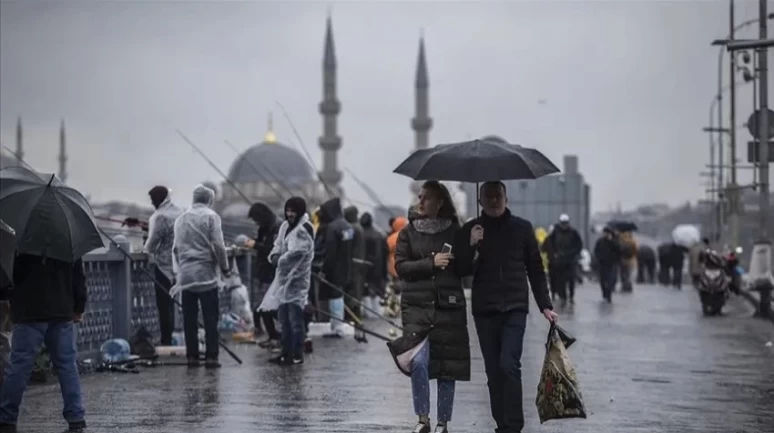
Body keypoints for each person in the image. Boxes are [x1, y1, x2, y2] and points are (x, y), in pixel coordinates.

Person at [456, 181, 557, 433]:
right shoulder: (471, 229)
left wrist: (544, 305)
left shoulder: (522, 229)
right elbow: (460, 270)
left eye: (498, 196)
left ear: (506, 198)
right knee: (493, 372)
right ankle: (501, 424)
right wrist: (470, 244)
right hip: (484, 309)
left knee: (508, 365)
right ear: (480, 201)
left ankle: (513, 426)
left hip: (514, 306)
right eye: (488, 197)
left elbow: (535, 268)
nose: (493, 200)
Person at [387, 181, 470, 433]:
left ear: (440, 203)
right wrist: (430, 263)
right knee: (419, 363)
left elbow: (466, 270)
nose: (420, 202)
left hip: (448, 306)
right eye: (419, 197)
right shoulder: (408, 233)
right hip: (416, 307)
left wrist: (474, 246)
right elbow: (401, 267)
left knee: (447, 366)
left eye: (426, 198)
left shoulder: (456, 232)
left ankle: (442, 422)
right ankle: (423, 419)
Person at [0, 254, 87, 432]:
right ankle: (76, 418)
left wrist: (10, 296)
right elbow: (78, 276)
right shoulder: (67, 235)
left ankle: (7, 418)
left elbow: (9, 276)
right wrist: (79, 306)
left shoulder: (21, 237)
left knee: (19, 366)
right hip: (61, 310)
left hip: (29, 311)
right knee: (66, 366)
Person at [171, 184, 230, 368]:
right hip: (206, 276)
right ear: (209, 200)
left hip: (186, 277)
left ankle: (192, 357)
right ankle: (211, 356)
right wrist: (225, 267)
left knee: (189, 319)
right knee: (210, 317)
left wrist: (181, 270)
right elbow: (218, 246)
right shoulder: (211, 217)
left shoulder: (181, 219)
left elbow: (175, 248)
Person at [267, 197, 315, 365]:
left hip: (297, 281)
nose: (289, 214)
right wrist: (274, 255)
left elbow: (297, 252)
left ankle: (297, 354)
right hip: (283, 280)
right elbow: (278, 244)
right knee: (284, 319)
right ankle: (285, 352)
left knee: (295, 320)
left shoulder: (304, 229)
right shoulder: (285, 226)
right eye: (288, 210)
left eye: (293, 211)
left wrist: (279, 260)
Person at [143, 185, 183, 346]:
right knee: (173, 304)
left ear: (159, 199)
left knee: (164, 306)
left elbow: (152, 245)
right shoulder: (179, 212)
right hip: (179, 266)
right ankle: (172, 337)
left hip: (163, 268)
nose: (152, 203)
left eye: (153, 200)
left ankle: (166, 340)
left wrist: (145, 248)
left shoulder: (160, 217)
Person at [313, 197, 354, 338]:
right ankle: (338, 326)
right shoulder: (346, 225)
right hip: (345, 266)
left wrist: (324, 270)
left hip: (333, 268)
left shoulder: (332, 228)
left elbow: (330, 252)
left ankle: (337, 328)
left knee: (334, 297)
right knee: (339, 295)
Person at [245, 202, 281, 348]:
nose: (256, 223)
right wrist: (256, 241)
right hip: (263, 272)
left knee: (270, 307)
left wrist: (255, 245)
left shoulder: (276, 227)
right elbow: (263, 243)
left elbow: (272, 250)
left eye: (256, 219)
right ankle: (272, 335)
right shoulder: (265, 227)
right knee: (263, 307)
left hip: (272, 273)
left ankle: (280, 335)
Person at [545, 214, 583, 306]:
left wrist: (574, 254)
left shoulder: (573, 232)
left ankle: (571, 296)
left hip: (570, 260)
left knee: (571, 280)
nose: (564, 225)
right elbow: (550, 243)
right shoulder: (556, 232)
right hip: (560, 260)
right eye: (563, 223)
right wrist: (555, 253)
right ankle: (563, 296)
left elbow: (579, 245)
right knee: (560, 280)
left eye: (566, 223)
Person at [360, 212, 389, 319]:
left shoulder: (360, 235)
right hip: (379, 267)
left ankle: (368, 313)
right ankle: (376, 313)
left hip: (364, 267)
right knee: (376, 290)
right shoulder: (379, 235)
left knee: (365, 291)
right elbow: (386, 252)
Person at [343, 206, 366, 322]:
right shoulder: (359, 227)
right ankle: (357, 316)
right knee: (357, 290)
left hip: (351, 264)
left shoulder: (351, 228)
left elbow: (345, 245)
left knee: (351, 291)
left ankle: (353, 317)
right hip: (359, 263)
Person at [594, 227, 622, 302]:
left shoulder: (614, 241)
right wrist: (598, 259)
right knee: (602, 280)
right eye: (604, 233)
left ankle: (609, 295)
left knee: (610, 280)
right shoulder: (600, 241)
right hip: (602, 263)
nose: (605, 234)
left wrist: (611, 241)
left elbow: (619, 250)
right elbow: (596, 251)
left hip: (611, 264)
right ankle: (604, 293)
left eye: (607, 233)